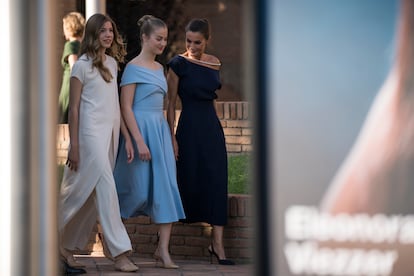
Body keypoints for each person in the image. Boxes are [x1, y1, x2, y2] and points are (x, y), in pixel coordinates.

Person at [58, 13, 138, 273]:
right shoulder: (80, 65)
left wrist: (125, 137)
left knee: (83, 196)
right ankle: (120, 253)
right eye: (103, 30)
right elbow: (75, 108)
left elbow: (114, 105)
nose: (108, 35)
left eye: (110, 30)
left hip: (110, 136)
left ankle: (62, 248)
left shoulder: (113, 64)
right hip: (89, 138)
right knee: (106, 189)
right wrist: (74, 145)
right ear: (92, 34)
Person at [113, 15, 185, 269]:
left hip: (161, 133)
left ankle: (163, 251)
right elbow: (125, 107)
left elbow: (165, 106)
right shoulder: (132, 67)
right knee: (135, 189)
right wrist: (139, 141)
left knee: (167, 189)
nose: (163, 43)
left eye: (165, 39)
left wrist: (171, 137)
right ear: (144, 38)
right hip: (139, 132)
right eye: (158, 38)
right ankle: (118, 247)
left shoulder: (162, 69)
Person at [166, 18, 235, 265]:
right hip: (189, 128)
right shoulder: (177, 64)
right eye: (189, 41)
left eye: (198, 42)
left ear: (207, 40)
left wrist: (219, 128)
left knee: (217, 181)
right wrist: (171, 137)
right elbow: (171, 103)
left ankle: (217, 245)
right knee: (184, 180)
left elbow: (212, 98)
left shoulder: (214, 63)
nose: (192, 46)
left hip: (211, 129)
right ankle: (163, 246)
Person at [58, 12, 85, 124]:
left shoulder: (70, 45)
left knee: (66, 114)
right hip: (81, 85)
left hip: (70, 85)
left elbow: (74, 66)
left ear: (69, 28)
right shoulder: (83, 46)